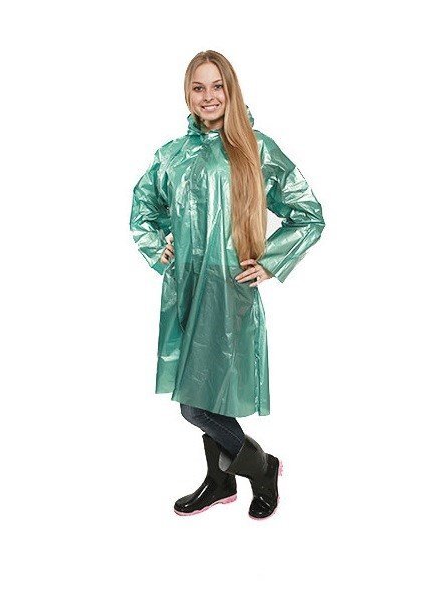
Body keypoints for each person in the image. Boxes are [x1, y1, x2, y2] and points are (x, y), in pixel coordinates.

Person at [130, 50, 325, 519]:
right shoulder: (172, 156)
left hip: (229, 291)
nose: (209, 96)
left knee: (197, 404)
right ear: (188, 94)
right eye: (199, 87)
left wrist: (272, 261)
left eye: (217, 86)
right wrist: (159, 247)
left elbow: (307, 214)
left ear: (231, 90)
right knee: (202, 394)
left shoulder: (256, 149)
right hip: (186, 291)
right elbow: (144, 208)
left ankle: (262, 468)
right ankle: (220, 481)